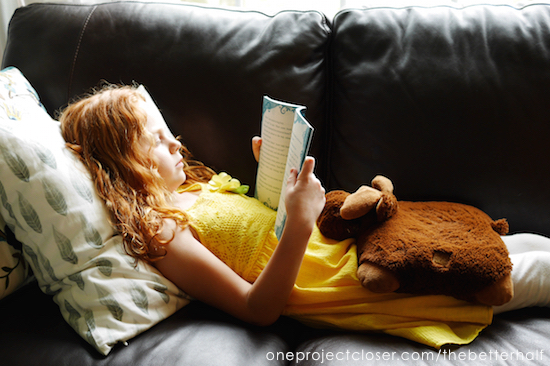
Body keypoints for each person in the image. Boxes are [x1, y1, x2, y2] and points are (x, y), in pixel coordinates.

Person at [59, 84, 550, 349]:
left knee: (528, 243)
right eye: (158, 142)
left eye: (171, 133)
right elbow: (258, 308)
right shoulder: (162, 229)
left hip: (348, 244)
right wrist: (297, 223)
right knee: (534, 271)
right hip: (342, 283)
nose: (177, 144)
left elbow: (255, 233)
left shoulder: (196, 186)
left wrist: (271, 176)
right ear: (125, 164)